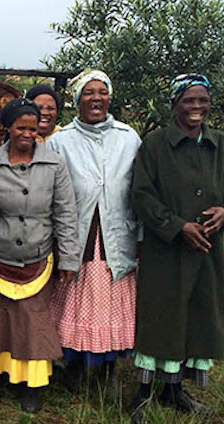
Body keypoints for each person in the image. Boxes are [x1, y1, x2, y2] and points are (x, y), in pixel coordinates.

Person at [130, 74, 224, 421]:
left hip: (207, 251)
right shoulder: (154, 144)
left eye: (202, 100)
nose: (197, 107)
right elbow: (140, 193)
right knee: (160, 316)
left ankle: (174, 391)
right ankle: (141, 393)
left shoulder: (223, 146)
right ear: (174, 104)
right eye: (189, 100)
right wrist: (176, 225)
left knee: (196, 316)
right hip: (165, 250)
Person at [0, 98, 80, 412]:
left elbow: (65, 213)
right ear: (8, 127)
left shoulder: (55, 164)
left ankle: (31, 386)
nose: (28, 134)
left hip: (38, 256)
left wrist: (69, 258)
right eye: (21, 127)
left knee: (33, 322)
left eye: (33, 128)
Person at [47, 70, 141, 396]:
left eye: (102, 92)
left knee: (112, 305)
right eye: (88, 93)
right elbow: (52, 192)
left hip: (117, 235)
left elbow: (141, 189)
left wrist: (140, 236)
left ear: (110, 97)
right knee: (75, 301)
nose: (96, 98)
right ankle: (73, 366)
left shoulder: (128, 137)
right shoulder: (61, 141)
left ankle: (109, 370)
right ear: (76, 101)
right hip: (78, 235)